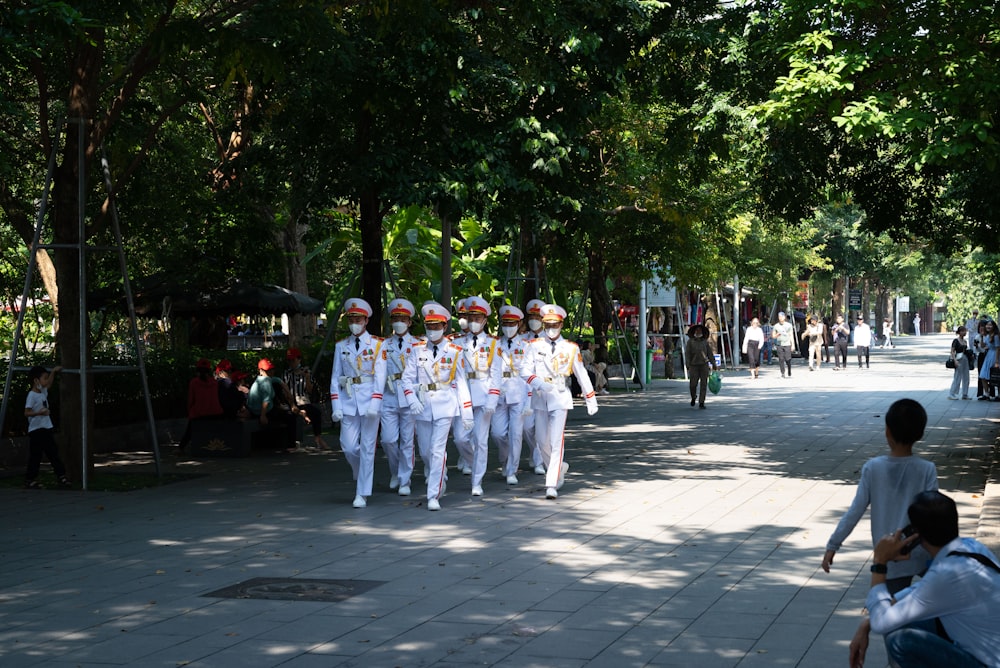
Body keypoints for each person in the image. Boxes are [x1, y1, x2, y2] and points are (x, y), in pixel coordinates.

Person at [848, 491, 1000, 668]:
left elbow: (882, 622)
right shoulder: (971, 547)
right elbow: (919, 592)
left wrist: (879, 563)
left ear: (916, 534)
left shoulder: (947, 574)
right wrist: (867, 623)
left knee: (901, 641)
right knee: (900, 622)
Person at [822, 398, 938, 595]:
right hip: (921, 551)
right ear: (920, 433)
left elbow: (855, 511)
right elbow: (935, 513)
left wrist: (834, 544)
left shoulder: (873, 468)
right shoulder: (927, 469)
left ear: (887, 431)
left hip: (889, 555)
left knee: (890, 613)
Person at [401, 302, 473, 511]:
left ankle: (434, 494)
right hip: (422, 405)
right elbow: (406, 379)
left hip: (445, 403)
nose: (432, 330)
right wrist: (411, 399)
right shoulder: (416, 350)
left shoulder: (455, 351)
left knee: (437, 450)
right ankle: (439, 475)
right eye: (429, 326)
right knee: (425, 451)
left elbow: (461, 383)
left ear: (444, 326)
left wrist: (466, 413)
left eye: (436, 326)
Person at [524, 303, 598, 500]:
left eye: (554, 324)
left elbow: (581, 375)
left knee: (557, 441)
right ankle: (558, 468)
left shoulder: (570, 348)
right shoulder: (534, 345)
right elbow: (524, 370)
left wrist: (590, 398)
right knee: (541, 441)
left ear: (561, 324)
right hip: (541, 396)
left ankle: (551, 483)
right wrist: (538, 383)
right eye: (547, 324)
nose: (550, 328)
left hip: (560, 395)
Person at [329, 298, 387, 508]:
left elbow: (380, 376)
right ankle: (358, 470)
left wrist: (376, 402)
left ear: (366, 320)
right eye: (351, 319)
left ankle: (361, 492)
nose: (354, 322)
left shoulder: (378, 345)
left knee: (368, 447)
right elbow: (335, 378)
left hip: (369, 400)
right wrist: (336, 406)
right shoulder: (340, 346)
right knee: (348, 446)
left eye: (358, 318)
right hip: (348, 400)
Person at [450, 295, 501, 497]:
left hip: (484, 394)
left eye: (477, 318)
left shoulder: (493, 344)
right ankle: (475, 463)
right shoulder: (456, 343)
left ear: (485, 320)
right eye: (470, 317)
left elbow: (496, 374)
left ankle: (477, 480)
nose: (473, 321)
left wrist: (492, 399)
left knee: (481, 440)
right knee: (460, 439)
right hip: (462, 396)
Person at [380, 297, 421, 496]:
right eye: (396, 318)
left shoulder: (418, 344)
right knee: (387, 440)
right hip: (388, 396)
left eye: (403, 319)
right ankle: (395, 471)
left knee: (407, 441)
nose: (399, 322)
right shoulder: (383, 344)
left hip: (409, 397)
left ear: (409, 322)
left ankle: (405, 479)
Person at [491, 305, 531, 485]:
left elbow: (531, 373)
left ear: (519, 324)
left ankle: (512, 470)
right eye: (505, 323)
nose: (508, 327)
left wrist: (528, 400)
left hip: (519, 392)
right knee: (498, 433)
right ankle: (505, 459)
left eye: (512, 323)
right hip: (500, 393)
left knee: (516, 434)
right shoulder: (494, 345)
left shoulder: (526, 346)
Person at [23, 365, 70, 489]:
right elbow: (26, 412)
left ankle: (61, 476)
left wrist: (53, 372)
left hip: (46, 428)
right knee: (36, 455)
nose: (47, 380)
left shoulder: (43, 391)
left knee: (53, 452)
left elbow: (49, 384)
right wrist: (39, 413)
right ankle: (30, 479)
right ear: (36, 381)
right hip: (36, 430)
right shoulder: (32, 396)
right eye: (44, 378)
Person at [520, 298, 547, 475]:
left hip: (545, 389)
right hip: (526, 389)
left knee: (541, 427)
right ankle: (534, 452)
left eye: (537, 316)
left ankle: (539, 460)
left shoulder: (549, 339)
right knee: (527, 427)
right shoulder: (522, 340)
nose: (534, 320)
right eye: (532, 316)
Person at [246, 358, 299, 451]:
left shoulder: (260, 380)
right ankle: (291, 444)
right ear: (261, 371)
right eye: (268, 370)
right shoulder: (266, 382)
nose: (271, 372)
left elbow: (279, 381)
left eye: (272, 369)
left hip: (255, 409)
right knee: (290, 416)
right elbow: (265, 400)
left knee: (284, 410)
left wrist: (291, 402)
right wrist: (263, 416)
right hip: (262, 411)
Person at [283, 348, 327, 450]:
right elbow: (285, 391)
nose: (291, 363)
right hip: (291, 401)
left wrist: (307, 377)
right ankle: (292, 443)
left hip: (303, 401)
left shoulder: (306, 372)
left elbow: (310, 391)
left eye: (293, 360)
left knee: (316, 412)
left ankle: (318, 438)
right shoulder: (287, 374)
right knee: (290, 416)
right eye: (289, 360)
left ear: (299, 360)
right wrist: (292, 404)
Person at [177, 358, 223, 452]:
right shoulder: (214, 383)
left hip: (199, 413)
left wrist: (190, 411)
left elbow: (191, 400)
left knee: (189, 430)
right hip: (215, 413)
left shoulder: (194, 383)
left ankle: (181, 448)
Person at [684, 323, 717, 408]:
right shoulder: (690, 342)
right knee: (693, 384)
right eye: (697, 330)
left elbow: (709, 353)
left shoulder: (705, 342)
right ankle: (693, 397)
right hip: (693, 365)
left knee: (703, 384)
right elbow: (687, 354)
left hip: (704, 365)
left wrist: (713, 363)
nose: (698, 331)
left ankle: (701, 402)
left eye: (700, 330)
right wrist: (687, 364)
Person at [948, 326, 974, 400]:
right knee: (957, 377)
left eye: (965, 331)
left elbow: (967, 350)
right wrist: (955, 360)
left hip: (965, 359)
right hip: (958, 359)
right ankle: (952, 393)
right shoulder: (956, 341)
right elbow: (952, 351)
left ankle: (965, 394)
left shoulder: (965, 341)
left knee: (966, 377)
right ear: (959, 332)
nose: (964, 332)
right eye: (962, 331)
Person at [978, 319, 1000, 402]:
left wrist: (997, 361)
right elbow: (984, 346)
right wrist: (981, 336)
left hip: (995, 356)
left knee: (995, 375)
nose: (988, 326)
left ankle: (998, 395)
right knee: (983, 375)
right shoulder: (987, 336)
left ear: (994, 326)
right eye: (987, 325)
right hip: (988, 356)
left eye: (990, 325)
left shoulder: (996, 336)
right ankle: (986, 394)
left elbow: (998, 348)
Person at [771, 311, 795, 378]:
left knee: (788, 359)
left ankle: (789, 369)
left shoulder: (789, 325)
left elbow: (791, 335)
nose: (780, 318)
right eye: (779, 317)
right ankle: (783, 372)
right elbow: (773, 336)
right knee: (781, 359)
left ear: (784, 317)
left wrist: (792, 344)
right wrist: (777, 335)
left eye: (782, 316)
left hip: (787, 344)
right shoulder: (776, 326)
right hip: (779, 344)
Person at [975, 320, 989, 399]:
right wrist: (976, 346)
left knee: (988, 374)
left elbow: (985, 346)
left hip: (988, 355)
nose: (981, 328)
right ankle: (980, 393)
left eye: (983, 326)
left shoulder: (988, 336)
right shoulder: (977, 336)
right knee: (980, 374)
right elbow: (976, 349)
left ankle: (990, 393)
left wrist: (983, 337)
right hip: (981, 356)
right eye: (980, 326)